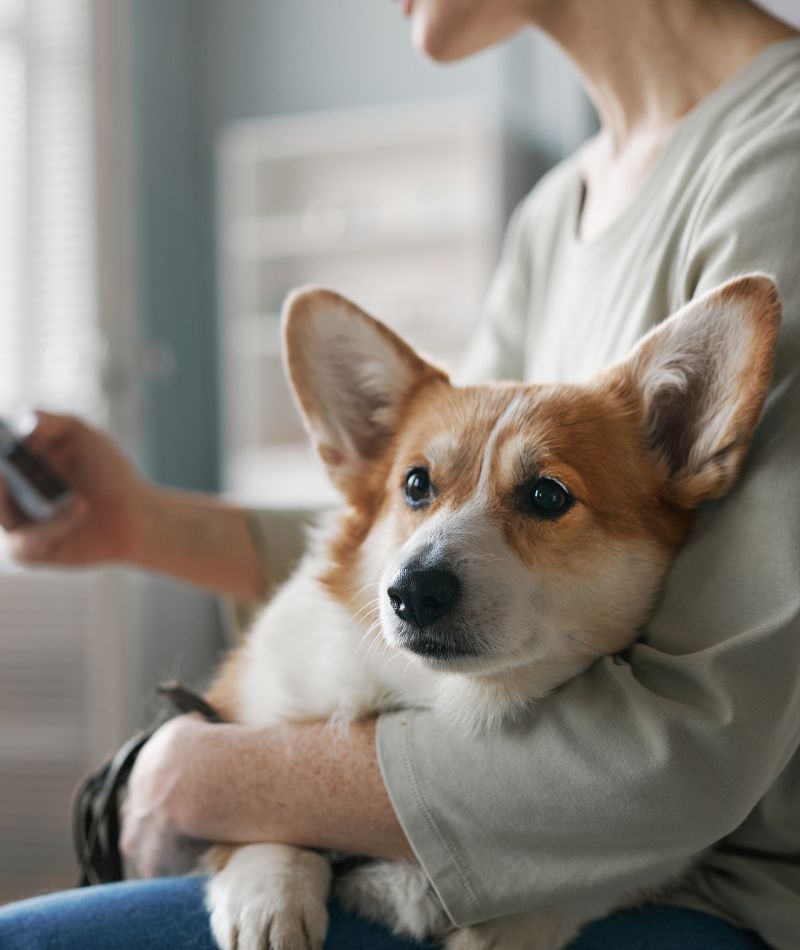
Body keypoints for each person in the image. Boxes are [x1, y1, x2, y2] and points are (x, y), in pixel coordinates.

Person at [1, 0, 799, 948]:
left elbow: (691, 751)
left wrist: (215, 777)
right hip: (454, 827)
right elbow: (407, 513)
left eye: (545, 498)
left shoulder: (781, 170)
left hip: (686, 898)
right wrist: (140, 522)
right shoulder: (558, 209)